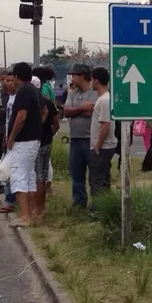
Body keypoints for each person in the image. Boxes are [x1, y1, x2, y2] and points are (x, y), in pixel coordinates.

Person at [0, 62, 44, 225]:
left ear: (17, 76)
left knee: (18, 176)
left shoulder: (23, 91)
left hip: (23, 141)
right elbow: (44, 110)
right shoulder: (33, 89)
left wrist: (11, 137)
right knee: (29, 177)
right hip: (33, 140)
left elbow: (21, 116)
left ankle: (25, 216)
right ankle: (29, 214)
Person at [60, 64, 97, 208]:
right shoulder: (72, 93)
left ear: (82, 75)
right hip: (75, 139)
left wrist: (75, 110)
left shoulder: (93, 92)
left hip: (90, 139)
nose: (72, 78)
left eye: (74, 75)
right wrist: (82, 108)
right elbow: (66, 111)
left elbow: (91, 111)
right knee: (76, 173)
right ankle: (79, 202)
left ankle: (97, 204)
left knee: (94, 175)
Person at [32, 66, 60, 214]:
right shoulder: (49, 97)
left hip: (35, 142)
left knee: (37, 176)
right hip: (47, 140)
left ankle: (38, 209)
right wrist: (49, 134)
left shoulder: (34, 101)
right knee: (44, 170)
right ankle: (41, 207)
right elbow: (56, 124)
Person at [89, 66, 118, 200]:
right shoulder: (105, 99)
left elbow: (105, 125)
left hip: (103, 147)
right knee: (104, 177)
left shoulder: (105, 100)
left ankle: (98, 210)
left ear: (96, 81)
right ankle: (105, 205)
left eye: (92, 79)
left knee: (97, 180)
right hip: (104, 146)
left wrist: (97, 146)